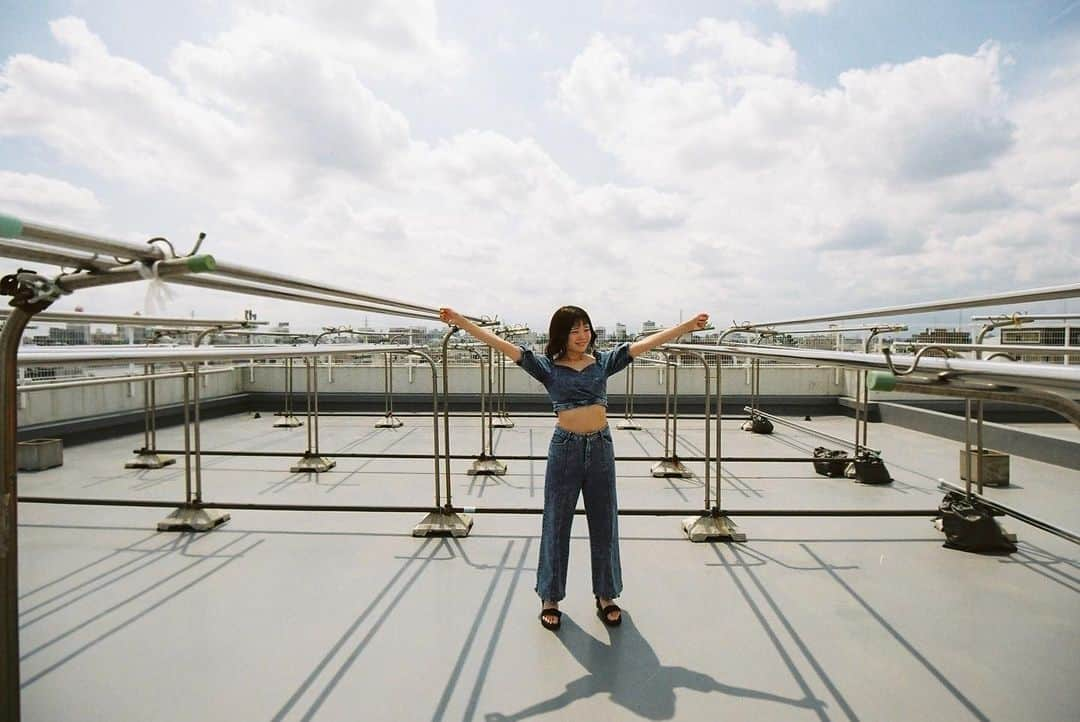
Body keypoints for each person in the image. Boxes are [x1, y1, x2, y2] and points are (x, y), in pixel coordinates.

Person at [439, 305, 709, 631]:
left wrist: (687, 326)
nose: (583, 336)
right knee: (556, 522)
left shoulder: (603, 362)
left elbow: (645, 344)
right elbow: (503, 345)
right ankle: (550, 597)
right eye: (575, 330)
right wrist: (462, 322)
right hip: (565, 449)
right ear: (562, 335)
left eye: (586, 328)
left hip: (600, 449)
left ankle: (606, 595)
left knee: (605, 521)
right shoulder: (548, 369)